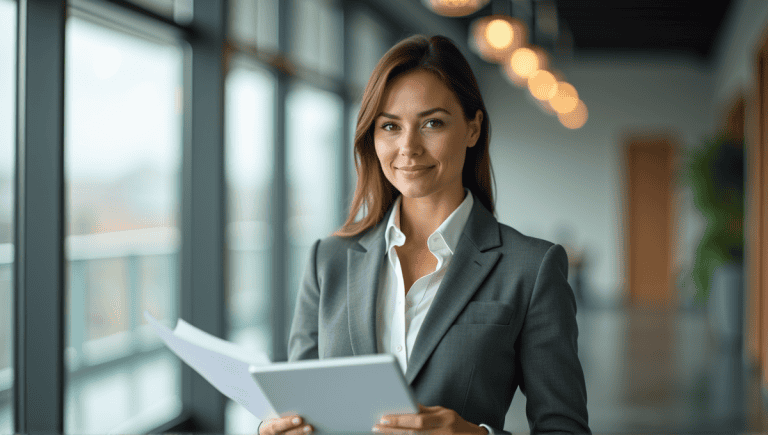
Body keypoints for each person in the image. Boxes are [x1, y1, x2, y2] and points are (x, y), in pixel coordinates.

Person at [258, 34, 590, 435]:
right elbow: (302, 405)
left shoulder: (531, 267)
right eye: (390, 126)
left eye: (432, 123)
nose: (408, 147)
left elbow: (565, 428)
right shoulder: (328, 260)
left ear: (472, 128)